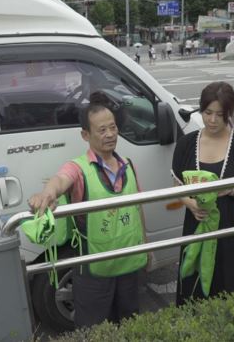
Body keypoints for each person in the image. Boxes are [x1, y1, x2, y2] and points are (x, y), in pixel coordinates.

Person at [28, 92, 147, 328]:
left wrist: (147, 245)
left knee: (131, 324)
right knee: (94, 330)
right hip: (94, 271)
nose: (110, 134)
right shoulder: (79, 168)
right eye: (102, 130)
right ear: (86, 135)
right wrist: (47, 195)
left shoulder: (127, 165)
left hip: (130, 266)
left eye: (113, 127)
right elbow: (60, 180)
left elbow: (137, 208)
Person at [171, 81, 234, 305]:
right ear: (201, 110)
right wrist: (191, 204)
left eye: (220, 114)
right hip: (197, 226)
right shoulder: (186, 144)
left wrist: (230, 188)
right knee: (196, 296)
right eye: (207, 113)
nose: (212, 120)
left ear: (229, 113)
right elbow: (177, 186)